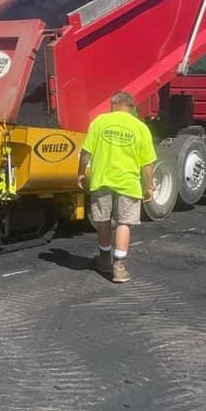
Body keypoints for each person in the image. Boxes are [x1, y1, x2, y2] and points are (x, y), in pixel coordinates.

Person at [77, 91, 156, 283]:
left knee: (103, 220)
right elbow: (147, 164)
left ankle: (104, 260)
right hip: (128, 183)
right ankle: (119, 268)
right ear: (131, 107)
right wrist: (150, 186)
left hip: (102, 179)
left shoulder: (100, 122)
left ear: (114, 105)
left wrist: (80, 173)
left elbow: (86, 152)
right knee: (123, 223)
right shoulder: (140, 128)